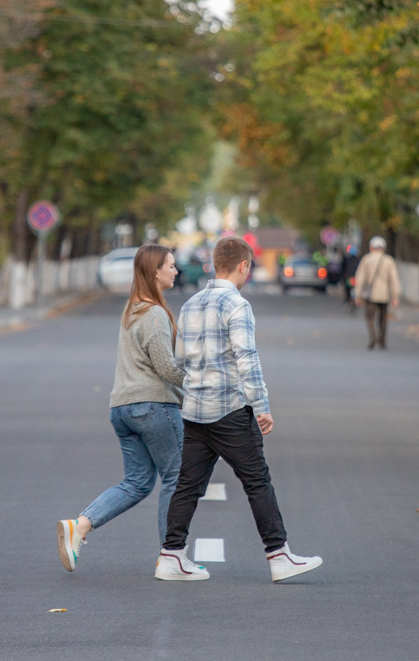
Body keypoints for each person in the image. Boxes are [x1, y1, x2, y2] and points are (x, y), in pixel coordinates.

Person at [156, 236, 322, 583]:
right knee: (257, 481)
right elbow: (247, 358)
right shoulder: (237, 305)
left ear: (216, 263)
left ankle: (170, 556)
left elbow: (181, 361)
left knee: (187, 485)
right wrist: (261, 405)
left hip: (195, 411)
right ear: (244, 265)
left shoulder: (190, 305)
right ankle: (279, 556)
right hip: (230, 410)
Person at [56, 245, 186, 573]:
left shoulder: (133, 309)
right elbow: (168, 370)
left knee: (138, 482)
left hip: (122, 409)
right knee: (176, 477)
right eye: (170, 265)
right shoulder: (155, 314)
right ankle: (171, 556)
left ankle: (80, 526)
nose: (176, 271)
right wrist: (202, 378)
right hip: (153, 406)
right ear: (155, 271)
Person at [354, 236, 400, 350]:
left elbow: (360, 278)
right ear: (383, 248)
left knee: (369, 316)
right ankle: (382, 340)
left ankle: (372, 337)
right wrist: (395, 296)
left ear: (371, 247)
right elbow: (394, 279)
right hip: (384, 295)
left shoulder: (367, 259)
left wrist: (358, 295)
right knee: (383, 318)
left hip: (370, 295)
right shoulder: (389, 261)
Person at [341, 245, 361, 314]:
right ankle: (354, 302)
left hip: (348, 278)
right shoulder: (359, 260)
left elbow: (343, 270)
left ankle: (348, 301)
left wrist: (343, 278)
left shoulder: (346, 259)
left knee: (348, 290)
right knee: (355, 290)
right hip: (356, 278)